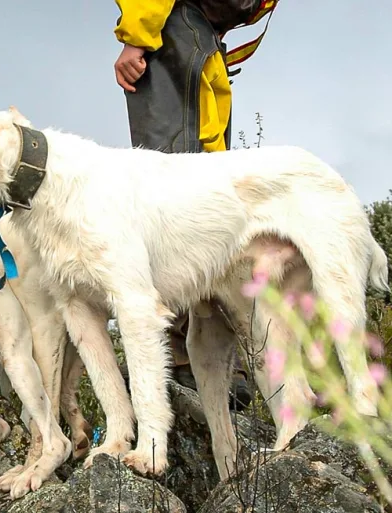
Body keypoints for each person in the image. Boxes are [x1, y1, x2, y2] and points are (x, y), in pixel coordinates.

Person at [111, 0, 278, 410]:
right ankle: (226, 364)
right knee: (210, 190)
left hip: (173, 44)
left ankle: (178, 357)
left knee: (170, 191)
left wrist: (136, 35)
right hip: (202, 43)